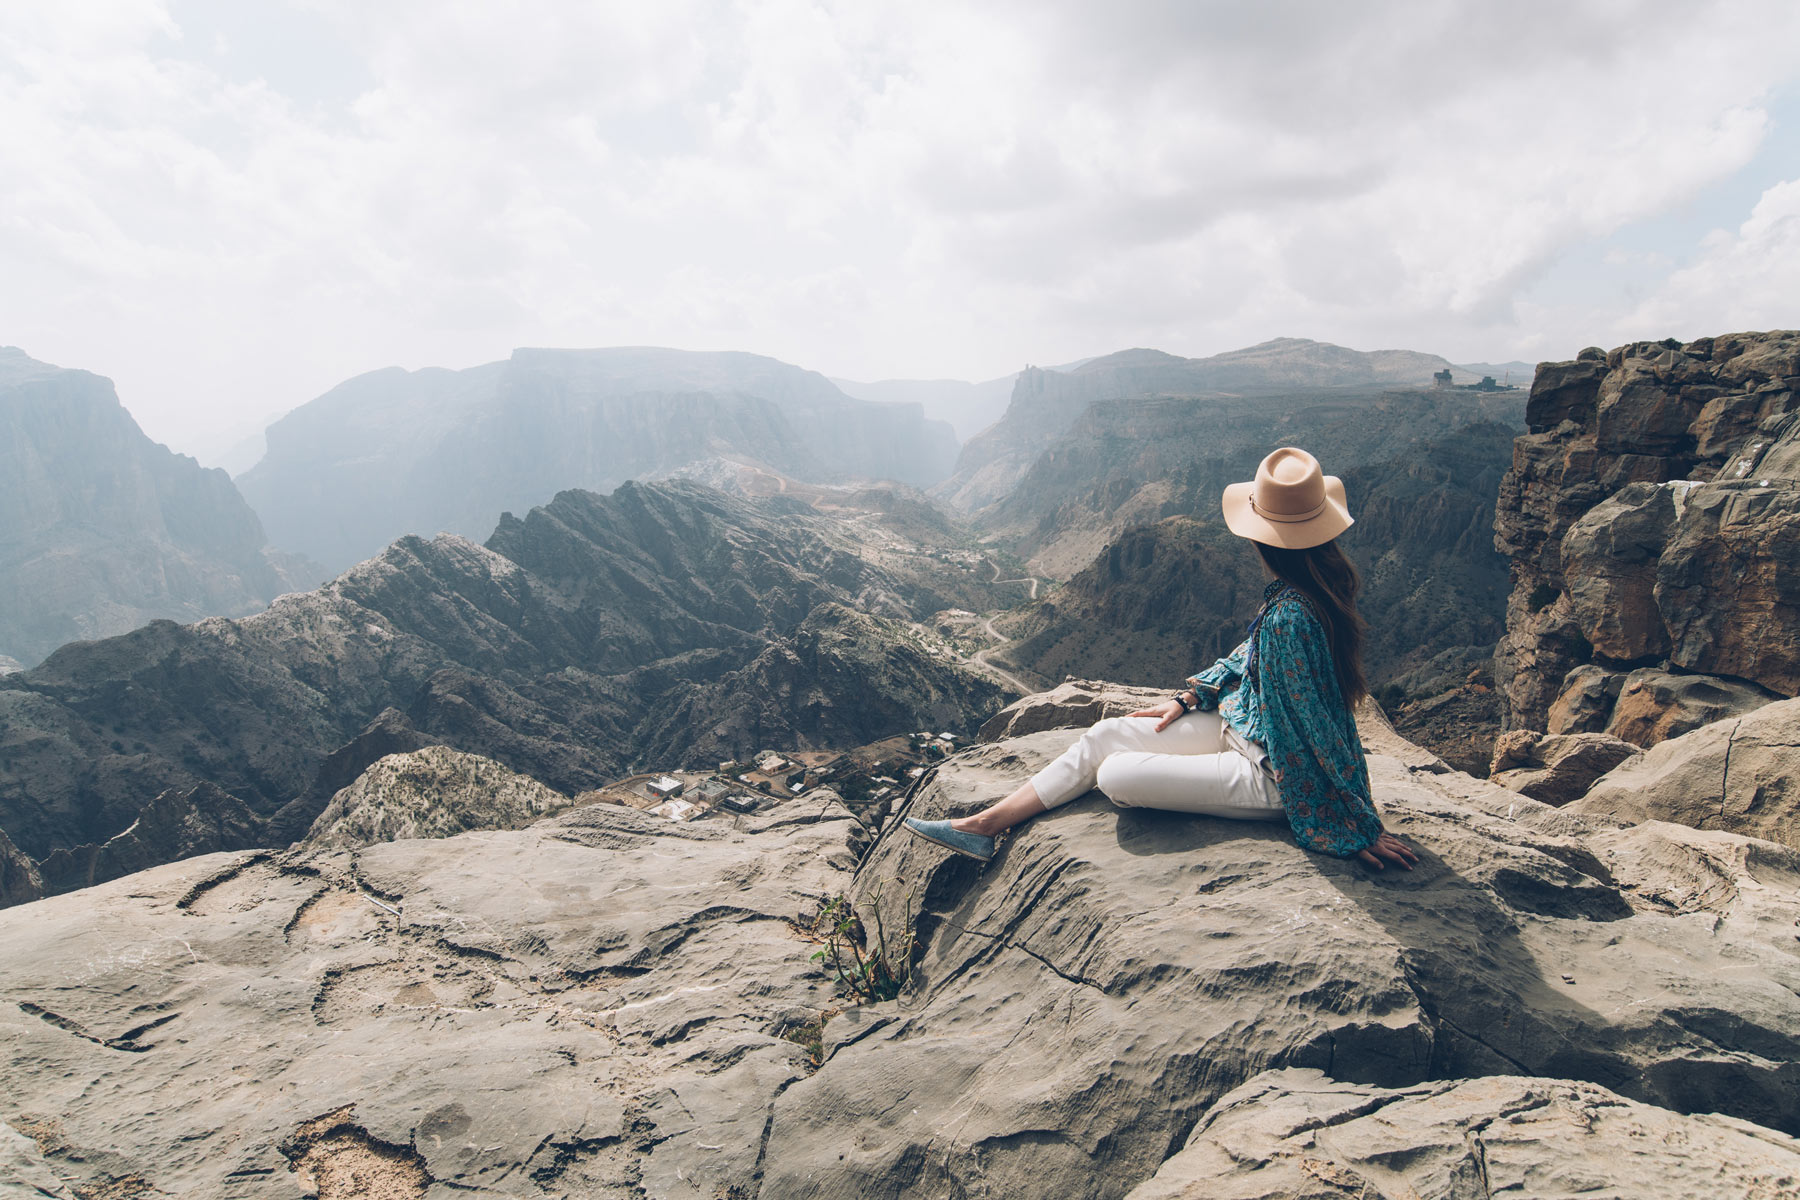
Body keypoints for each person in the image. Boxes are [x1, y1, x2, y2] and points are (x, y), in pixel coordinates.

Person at [905, 446, 1418, 871]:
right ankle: (985, 825)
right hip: (1243, 728)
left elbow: (1317, 728)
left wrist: (1353, 823)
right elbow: (1249, 653)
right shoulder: (1305, 592)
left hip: (1276, 775)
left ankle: (987, 825)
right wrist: (1193, 695)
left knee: (1115, 776)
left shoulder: (1292, 616)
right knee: (1106, 734)